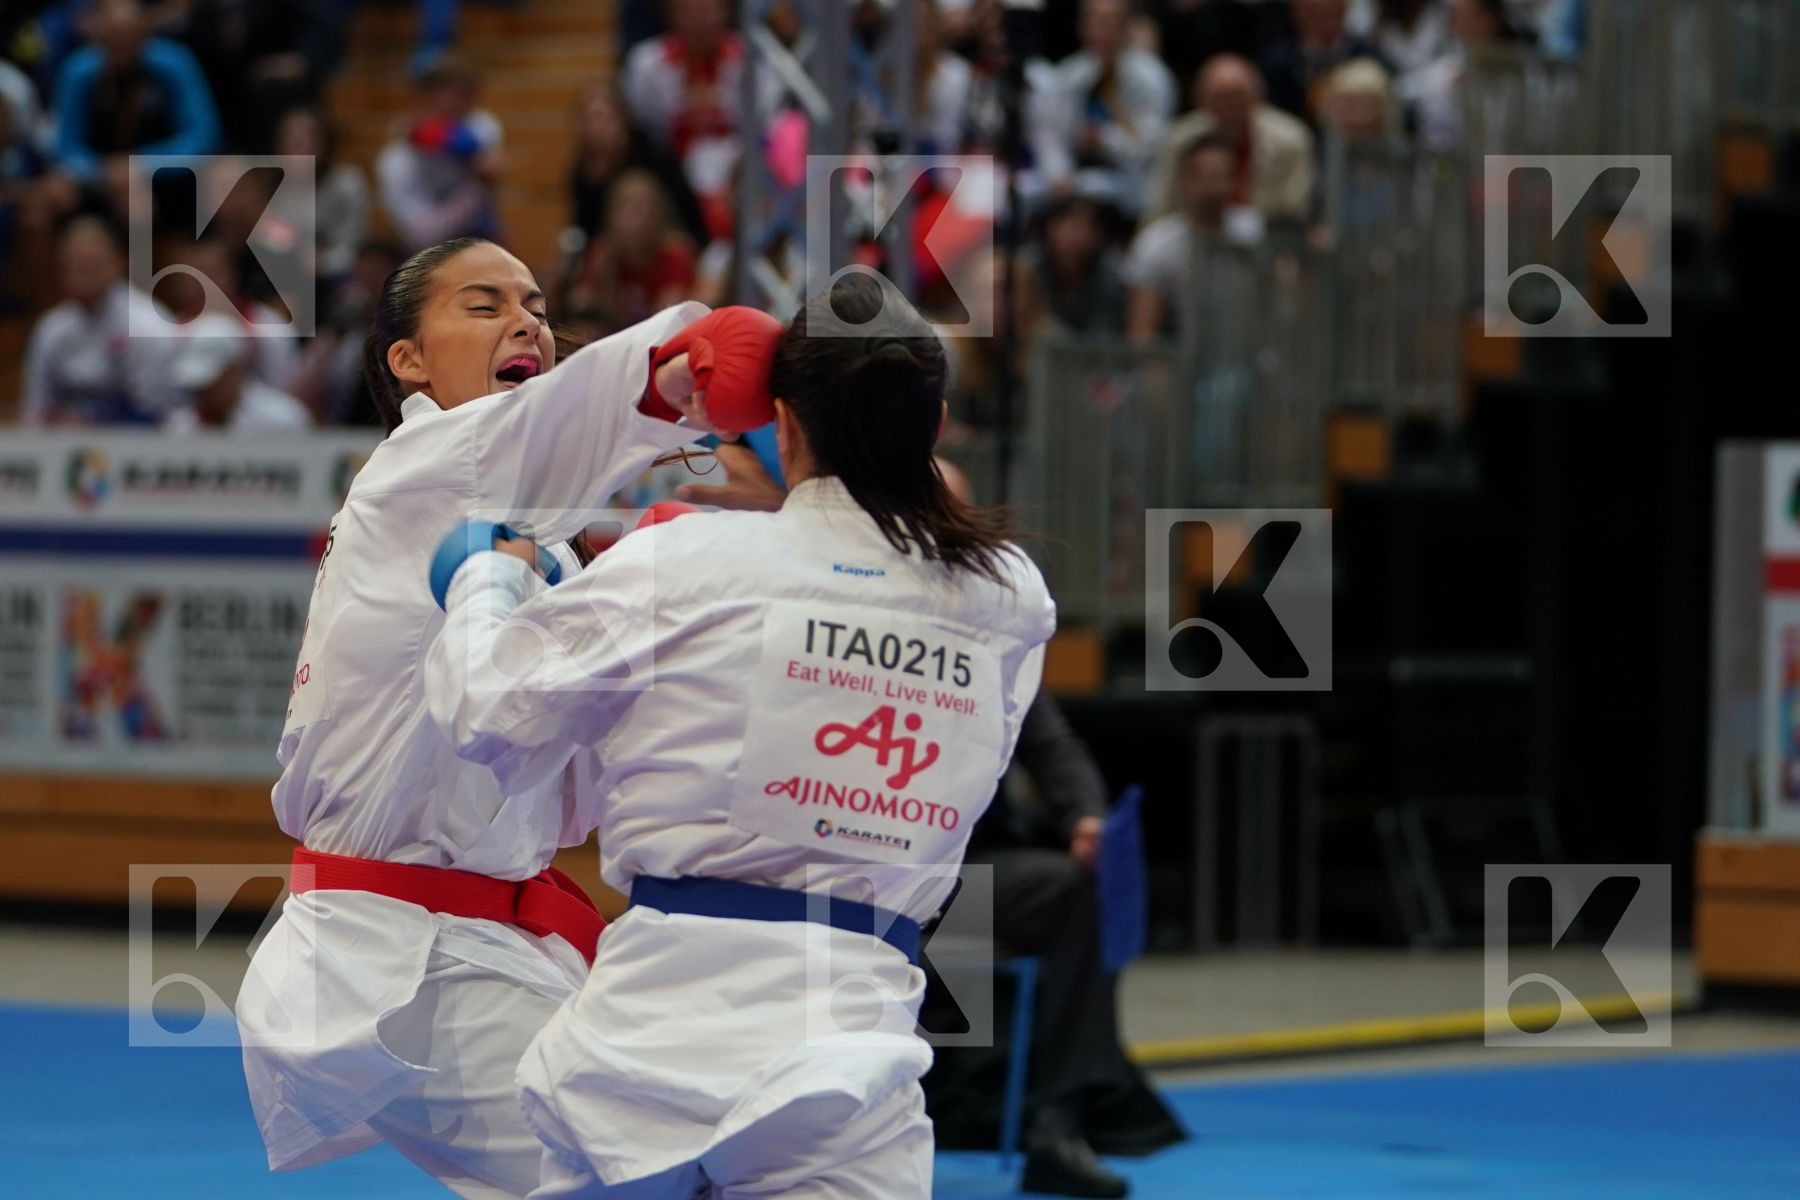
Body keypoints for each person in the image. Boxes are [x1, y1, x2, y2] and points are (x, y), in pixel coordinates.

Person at [422, 272, 1057, 1199]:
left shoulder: (687, 562)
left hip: (645, 1044)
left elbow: (484, 713)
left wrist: (488, 579)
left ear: (785, 427)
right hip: (852, 1054)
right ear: (939, 424)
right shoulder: (1008, 595)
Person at [234, 235, 777, 1198]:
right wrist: (672, 370)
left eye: (532, 305)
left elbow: (566, 805)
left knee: (704, 1148)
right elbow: (559, 428)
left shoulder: (534, 555)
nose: (526, 320)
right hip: (397, 953)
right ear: (409, 358)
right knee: (627, 1172)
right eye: (482, 305)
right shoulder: (420, 466)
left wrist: (678, 578)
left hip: (496, 942)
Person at [20, 215, 181, 425]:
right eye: (74, 265)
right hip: (64, 447)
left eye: (92, 263)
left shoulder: (147, 324)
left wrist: (93, 422)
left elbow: (160, 413)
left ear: (119, 263)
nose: (82, 274)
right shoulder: (51, 329)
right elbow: (34, 412)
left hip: (139, 446)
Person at [1032, 0, 1176, 220]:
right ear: (1082, 27)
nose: (1102, 31)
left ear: (1127, 27)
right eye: (1095, 22)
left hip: (1131, 182)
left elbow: (1151, 145)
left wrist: (1105, 139)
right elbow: (1048, 133)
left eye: (1110, 23)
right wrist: (1058, 173)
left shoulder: (1152, 78)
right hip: (1073, 182)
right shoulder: (1068, 75)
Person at [1126, 132, 1264, 343]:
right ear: (1183, 180)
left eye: (1220, 176)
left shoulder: (1255, 233)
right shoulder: (1155, 244)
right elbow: (1142, 334)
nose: (1211, 188)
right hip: (1179, 362)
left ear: (1235, 181)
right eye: (1203, 177)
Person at [1148, 54, 1315, 227]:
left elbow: (1296, 207)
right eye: (1221, 98)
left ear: (1259, 96)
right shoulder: (1181, 140)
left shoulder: (1290, 140)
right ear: (1200, 100)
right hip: (1193, 238)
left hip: (1269, 238)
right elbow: (1161, 207)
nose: (1231, 106)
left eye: (1238, 96)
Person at [377, 57, 506, 251]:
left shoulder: (480, 125)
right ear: (427, 97)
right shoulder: (398, 159)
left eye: (468, 96)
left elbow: (491, 163)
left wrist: (451, 142)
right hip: (425, 252)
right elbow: (421, 235)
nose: (462, 106)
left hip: (478, 241)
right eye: (453, 96)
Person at [161, 311, 312, 432]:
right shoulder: (181, 426)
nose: (206, 391)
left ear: (235, 369)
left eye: (214, 382)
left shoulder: (284, 420)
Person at [1258, 0, 1392, 124]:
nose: (1324, 21)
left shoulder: (1368, 56)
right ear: (1296, 14)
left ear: (1344, 12)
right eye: (1314, 13)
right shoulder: (1278, 61)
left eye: (1331, 13)